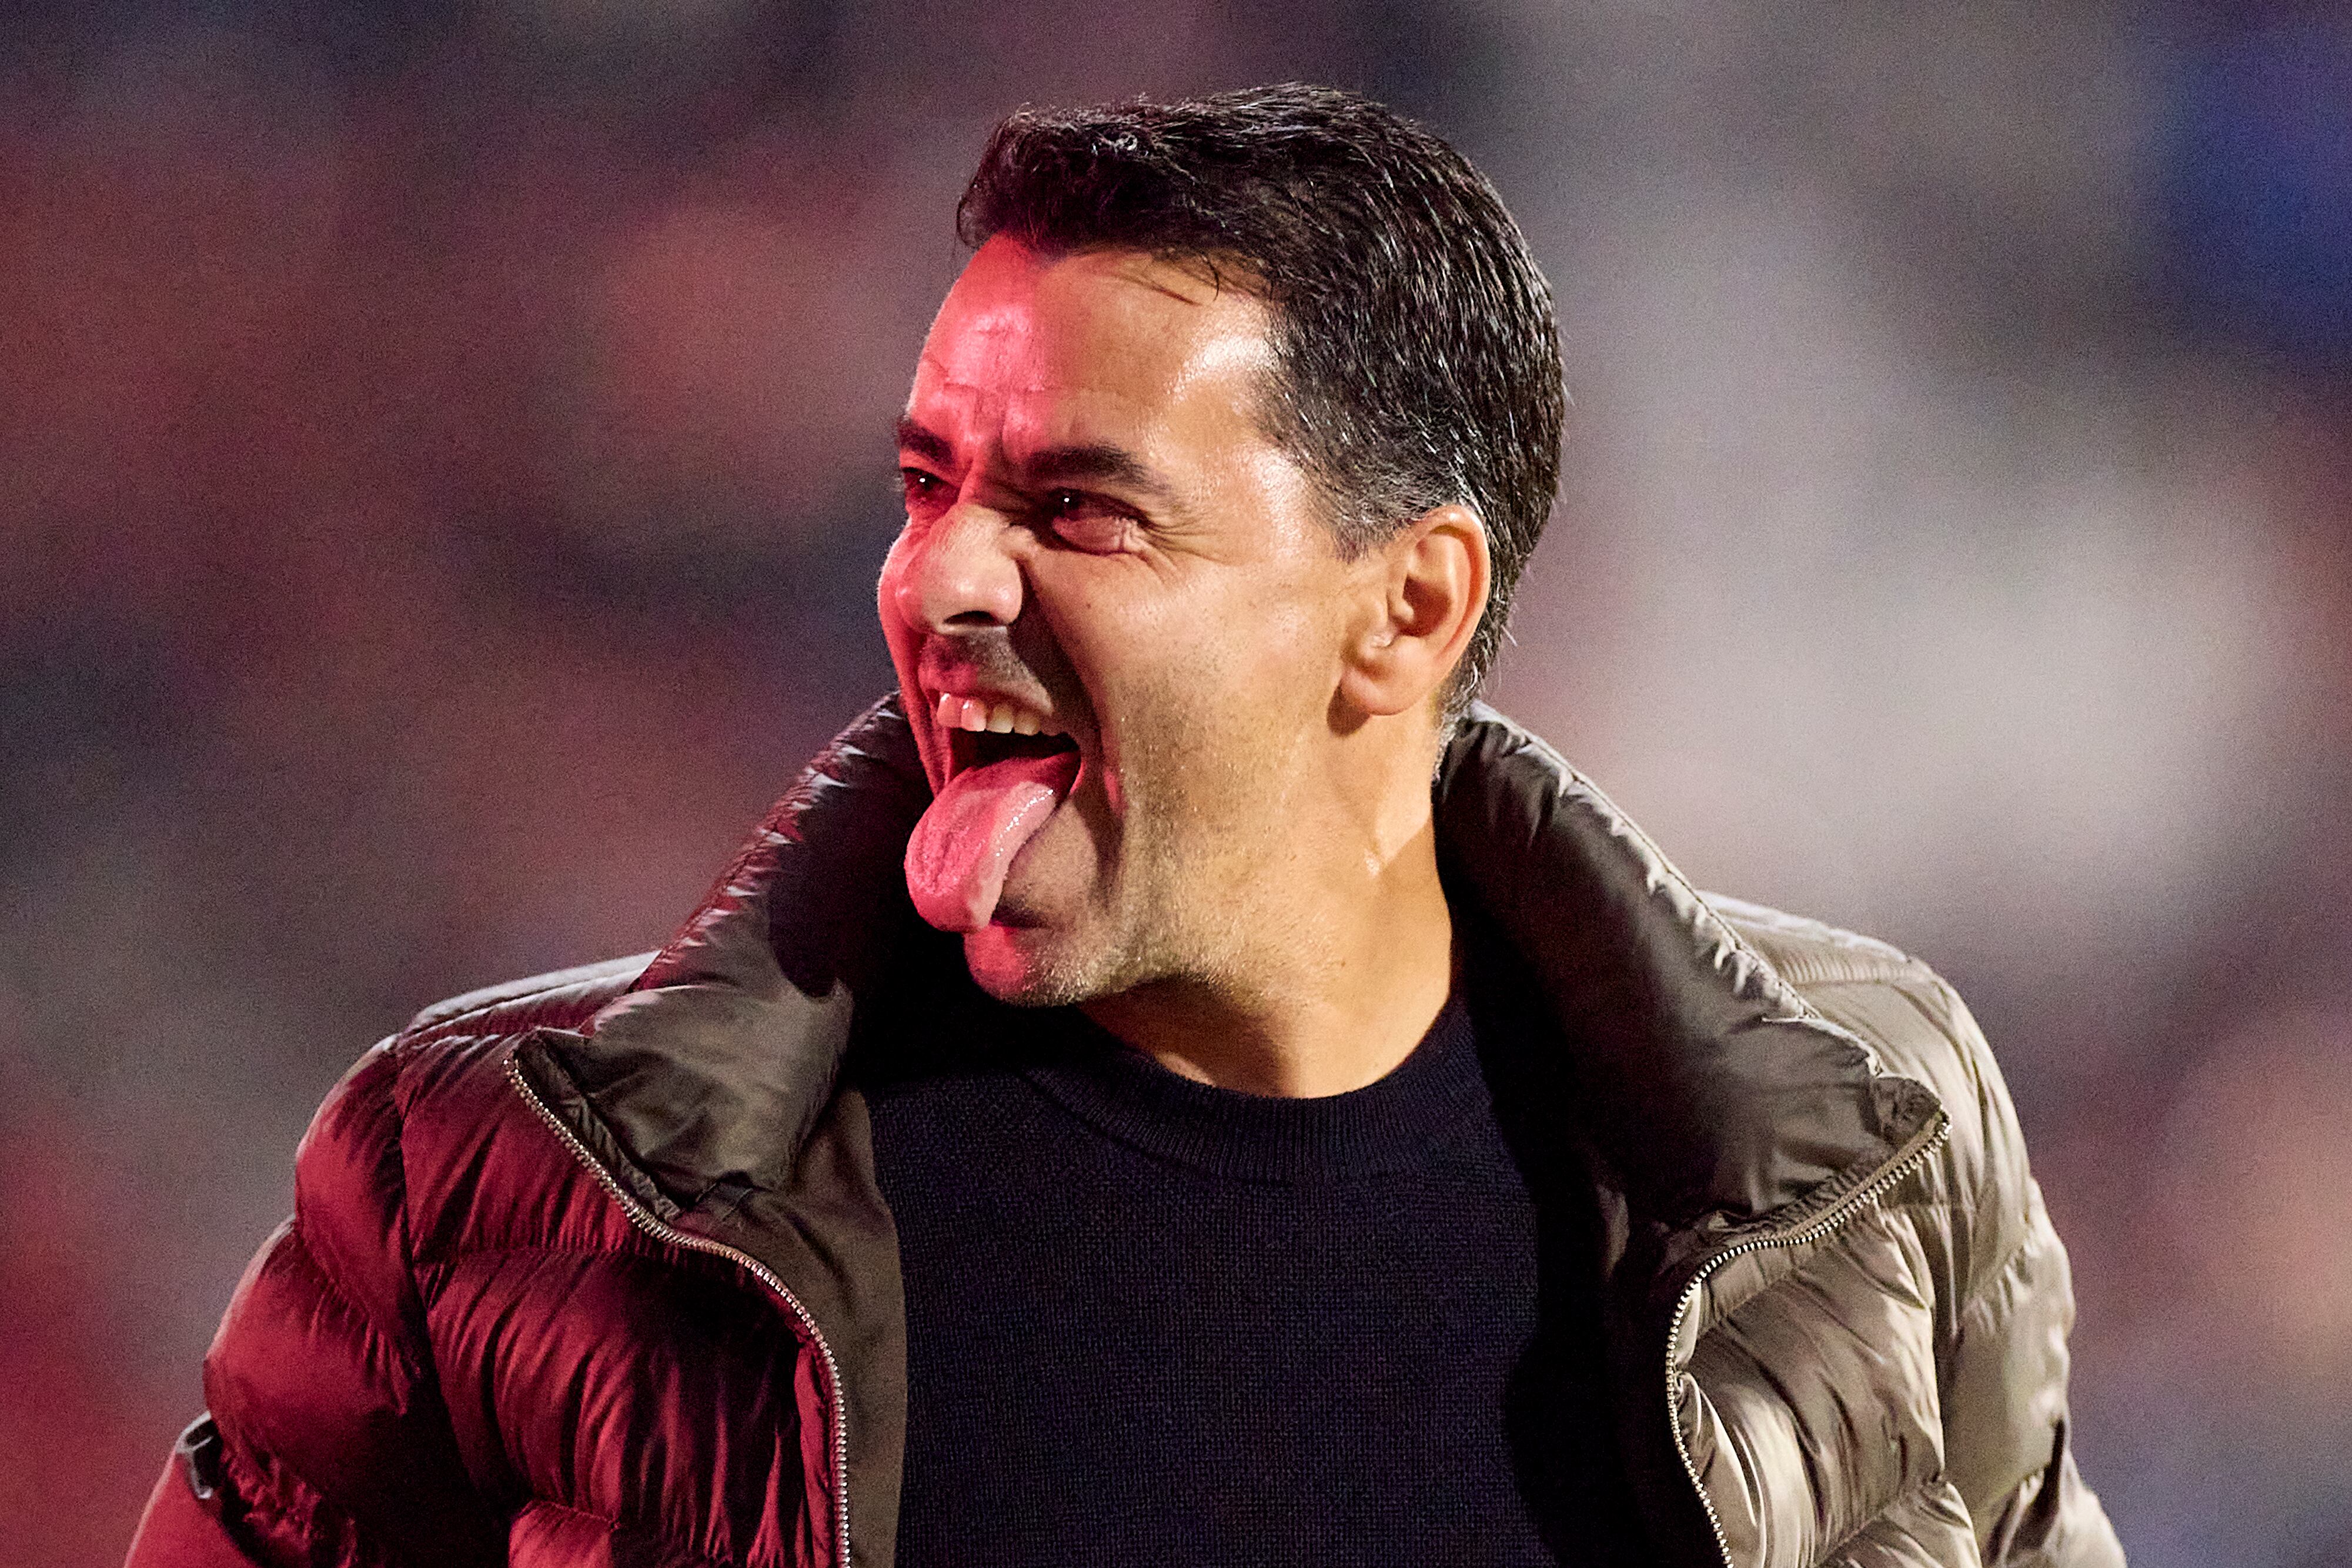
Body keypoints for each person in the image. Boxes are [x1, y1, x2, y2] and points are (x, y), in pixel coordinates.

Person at [127, 85, 2125, 1568]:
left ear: (1405, 606)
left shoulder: (1861, 1141)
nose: (939, 582)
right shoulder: (500, 1199)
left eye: (1078, 508)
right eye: (926, 483)